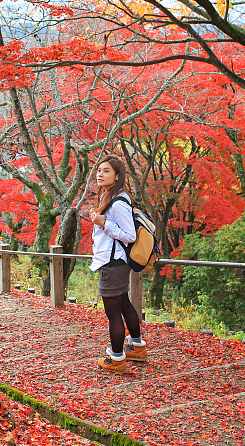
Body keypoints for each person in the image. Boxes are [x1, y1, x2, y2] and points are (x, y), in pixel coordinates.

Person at [88, 155, 147, 373]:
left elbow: (129, 235)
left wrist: (104, 223)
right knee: (123, 304)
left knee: (113, 313)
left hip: (113, 264)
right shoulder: (110, 197)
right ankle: (137, 347)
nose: (100, 174)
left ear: (117, 175)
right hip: (115, 263)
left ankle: (117, 358)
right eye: (99, 170)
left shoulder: (119, 201)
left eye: (106, 171)